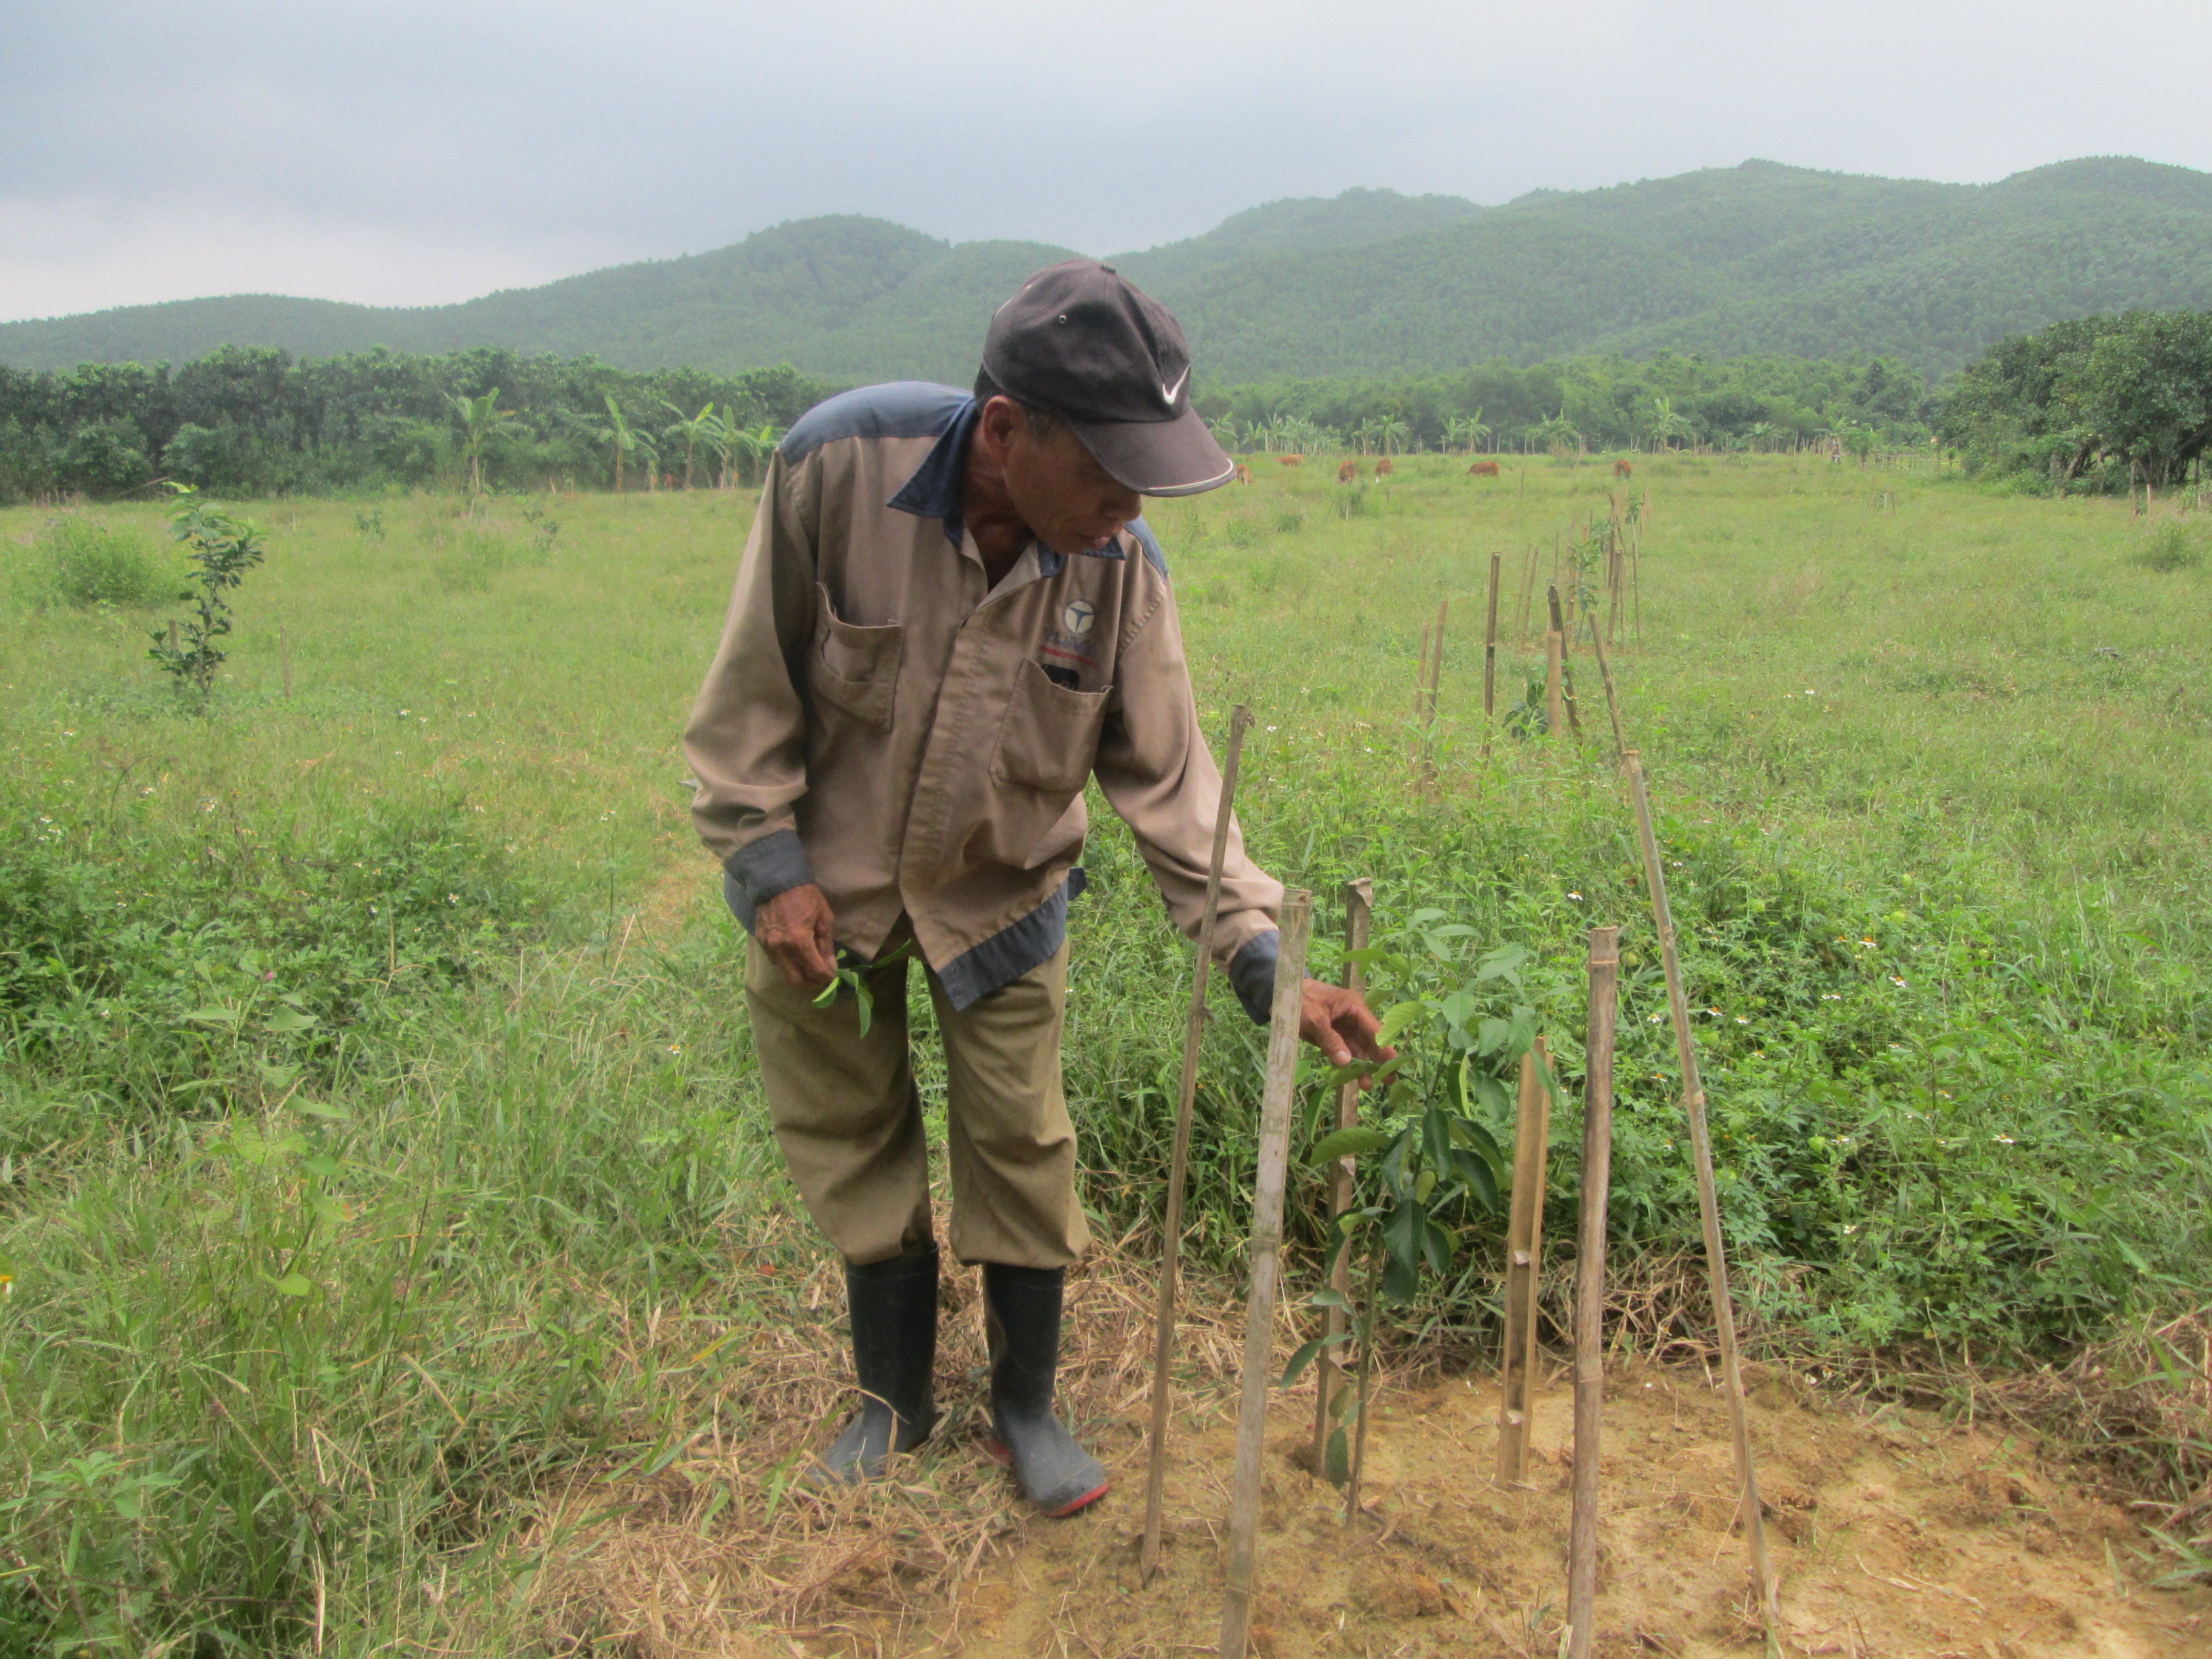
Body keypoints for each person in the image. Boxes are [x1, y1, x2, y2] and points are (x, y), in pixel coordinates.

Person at [683, 260, 1388, 1519]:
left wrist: (1265, 960)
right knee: (851, 1130)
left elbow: (1173, 778)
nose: (1126, 509)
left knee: (1021, 1138)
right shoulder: (835, 472)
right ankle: (892, 1402)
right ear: (1007, 432)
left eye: (1146, 483)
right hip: (824, 903)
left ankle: (1025, 1409)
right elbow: (751, 692)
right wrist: (766, 865)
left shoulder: (1119, 565)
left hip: (1003, 896)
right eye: (1110, 474)